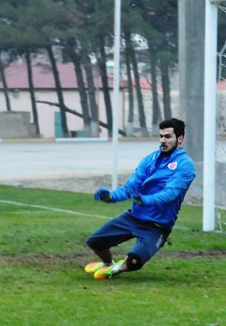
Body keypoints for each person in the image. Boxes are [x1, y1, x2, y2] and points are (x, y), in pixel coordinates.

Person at [84, 118, 196, 280]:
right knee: (94, 242)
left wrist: (144, 200)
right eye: (161, 136)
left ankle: (116, 269)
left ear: (180, 138)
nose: (163, 140)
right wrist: (110, 196)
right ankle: (107, 264)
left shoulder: (185, 165)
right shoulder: (149, 159)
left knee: (135, 262)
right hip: (133, 217)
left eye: (168, 137)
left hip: (157, 226)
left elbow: (170, 193)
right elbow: (131, 187)